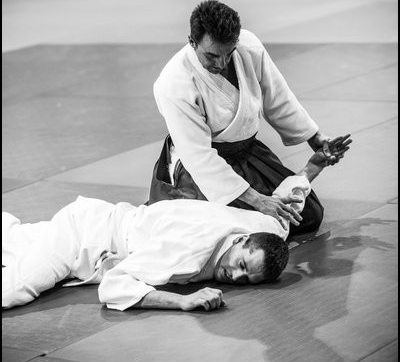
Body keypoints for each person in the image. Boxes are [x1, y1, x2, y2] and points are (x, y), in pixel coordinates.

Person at [2, 138, 350, 312]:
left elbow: (287, 201)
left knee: (15, 241)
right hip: (85, 241)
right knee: (14, 290)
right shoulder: (187, 253)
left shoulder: (263, 229)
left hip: (99, 218)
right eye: (242, 265)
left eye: (247, 279)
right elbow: (113, 286)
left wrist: (314, 166)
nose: (236, 276)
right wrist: (182, 302)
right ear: (241, 241)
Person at [148, 0, 352, 235]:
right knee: (235, 232)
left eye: (229, 53)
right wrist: (258, 200)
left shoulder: (248, 46)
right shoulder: (174, 83)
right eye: (212, 56)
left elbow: (277, 95)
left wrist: (314, 137)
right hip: (200, 170)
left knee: (306, 215)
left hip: (247, 153)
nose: (221, 63)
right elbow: (198, 156)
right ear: (192, 41)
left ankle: (305, 172)